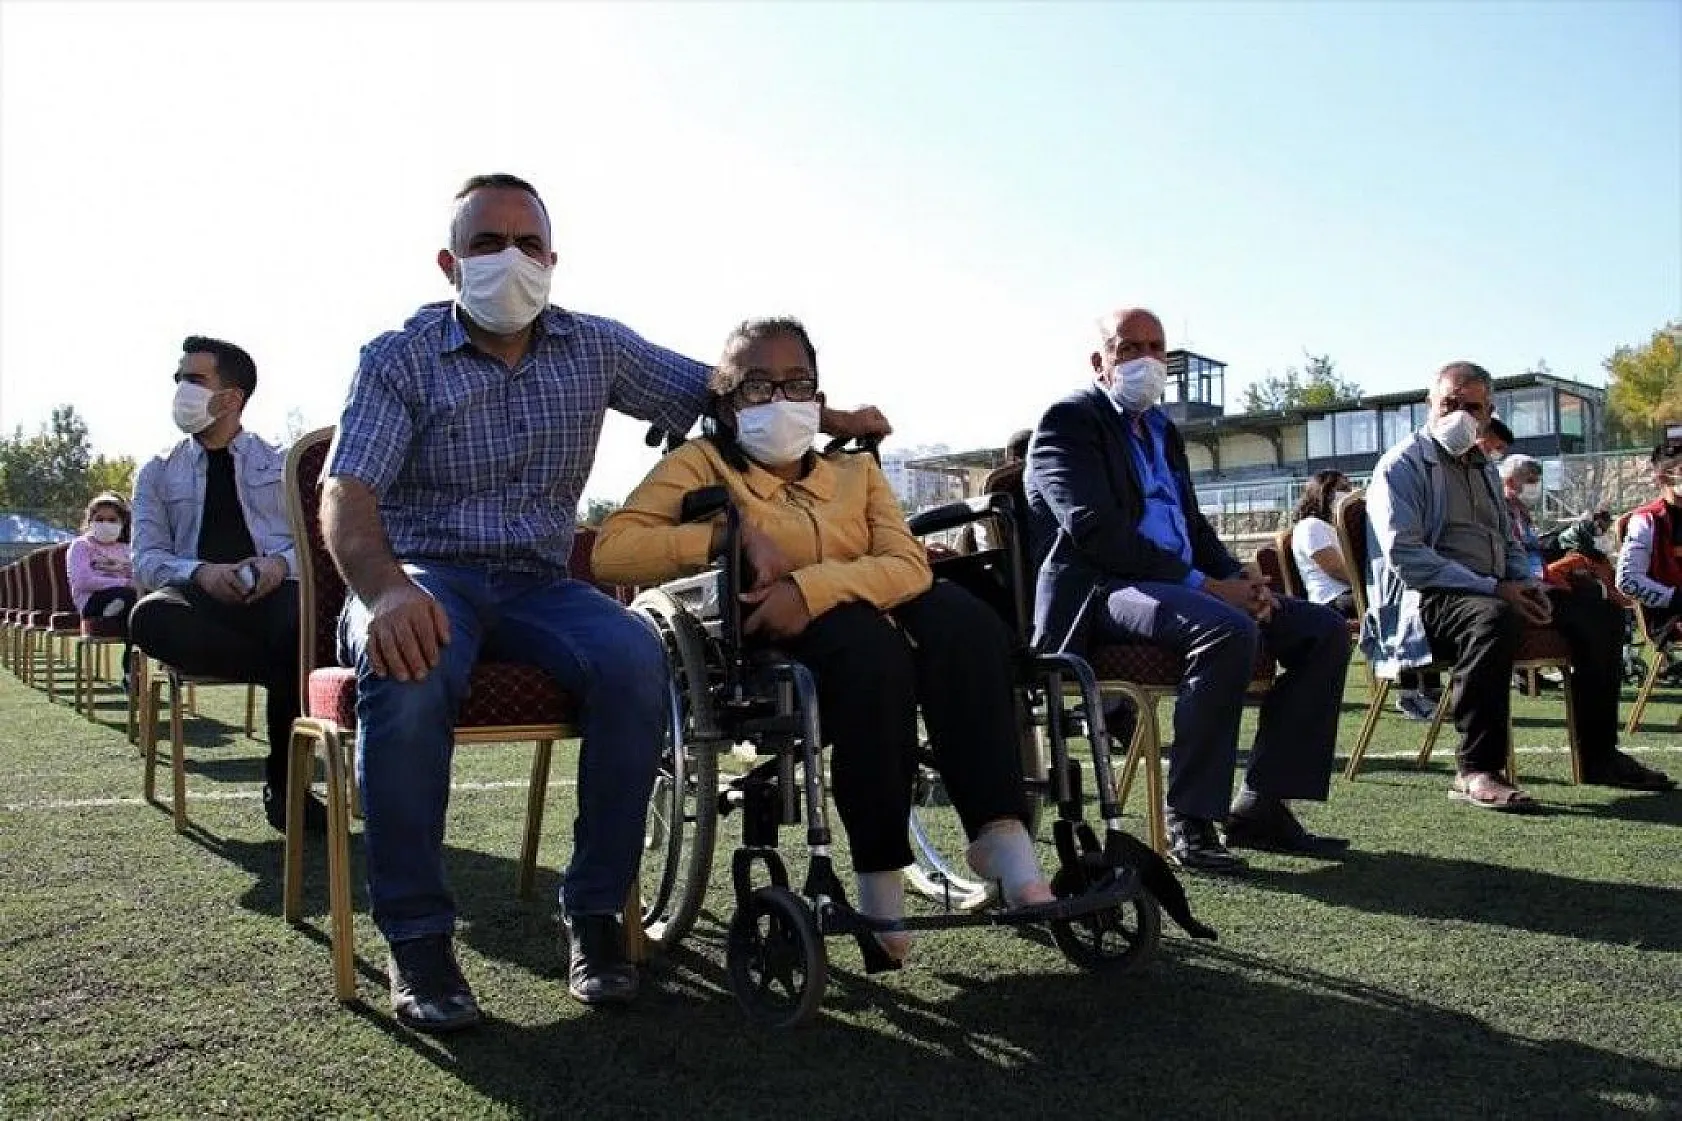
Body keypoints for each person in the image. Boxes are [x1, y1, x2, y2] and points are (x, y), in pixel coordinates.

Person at [321, 174, 890, 1032]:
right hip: (424, 571)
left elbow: (719, 389)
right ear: (448, 263)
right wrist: (386, 589)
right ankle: (418, 934)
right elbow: (346, 492)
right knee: (411, 660)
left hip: (541, 583)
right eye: (487, 244)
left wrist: (831, 414)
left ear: (553, 259)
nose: (511, 259)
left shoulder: (596, 346)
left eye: (528, 244)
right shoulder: (396, 358)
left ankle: (594, 913)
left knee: (634, 654)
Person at [594, 316, 1055, 963]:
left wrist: (808, 588)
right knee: (871, 652)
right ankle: (880, 879)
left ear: (818, 397)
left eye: (797, 384)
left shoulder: (854, 473)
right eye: (758, 386)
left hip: (852, 604)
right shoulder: (698, 464)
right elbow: (612, 551)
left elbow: (907, 564)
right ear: (725, 402)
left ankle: (1000, 832)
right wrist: (722, 537)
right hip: (766, 639)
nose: (780, 400)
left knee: (968, 623)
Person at [1025, 306, 1352, 873]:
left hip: (1178, 587)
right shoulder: (1069, 421)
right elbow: (1093, 529)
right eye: (1129, 348)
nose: (1145, 360)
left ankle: (1263, 805)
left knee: (1322, 629)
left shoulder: (1161, 429)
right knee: (1225, 628)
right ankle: (1191, 821)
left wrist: (1241, 578)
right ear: (1100, 361)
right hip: (1105, 590)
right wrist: (1208, 586)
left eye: (1156, 348)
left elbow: (1193, 527)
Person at [1362, 362, 1671, 814]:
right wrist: (1495, 588)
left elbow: (1507, 542)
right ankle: (1477, 769)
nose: (1460, 416)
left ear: (1488, 413)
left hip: (1495, 588)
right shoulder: (1402, 465)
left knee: (1598, 611)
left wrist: (1527, 584)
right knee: (1493, 617)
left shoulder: (1483, 468)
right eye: (1450, 404)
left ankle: (1599, 756)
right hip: (1427, 598)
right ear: (1430, 404)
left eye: (1472, 408)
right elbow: (1407, 557)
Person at [129, 337, 316, 834]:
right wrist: (201, 573)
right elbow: (145, 560)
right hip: (197, 603)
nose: (180, 390)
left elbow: (316, 546)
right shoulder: (157, 470)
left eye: (194, 379)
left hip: (273, 595)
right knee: (147, 617)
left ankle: (286, 783)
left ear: (231, 397)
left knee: (302, 619)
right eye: (178, 379)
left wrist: (276, 565)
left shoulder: (283, 462)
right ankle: (283, 675)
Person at [1289, 471, 1441, 720]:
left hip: (1354, 593)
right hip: (1332, 600)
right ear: (1322, 493)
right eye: (1341, 488)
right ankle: (1410, 693)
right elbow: (1336, 570)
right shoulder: (1311, 527)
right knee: (1397, 606)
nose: (1348, 492)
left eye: (1349, 486)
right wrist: (1376, 587)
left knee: (1415, 602)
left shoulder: (1336, 526)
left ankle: (1431, 689)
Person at [1616, 439, 1682, 638]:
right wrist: (1674, 598)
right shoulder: (1646, 521)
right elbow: (1627, 580)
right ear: (1663, 477)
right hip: (1671, 615)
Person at [66, 492, 138, 631]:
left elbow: (135, 575)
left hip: (126, 595)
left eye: (112, 520)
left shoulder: (126, 549)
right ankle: (108, 615)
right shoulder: (81, 546)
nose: (105, 524)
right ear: (90, 521)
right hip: (92, 600)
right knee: (128, 595)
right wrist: (124, 583)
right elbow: (83, 581)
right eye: (99, 519)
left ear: (122, 523)